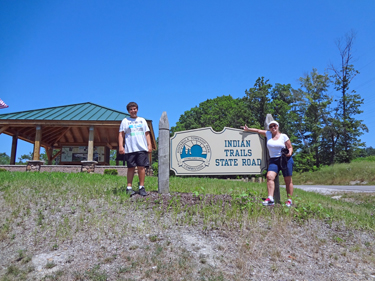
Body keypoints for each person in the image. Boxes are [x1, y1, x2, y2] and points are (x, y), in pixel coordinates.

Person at [241, 121, 294, 207]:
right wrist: (248, 129)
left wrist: (289, 153)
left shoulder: (283, 136)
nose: (273, 127)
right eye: (271, 126)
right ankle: (270, 199)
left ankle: (289, 200)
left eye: (275, 125)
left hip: (285, 159)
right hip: (273, 160)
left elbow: (290, 147)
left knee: (288, 180)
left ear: (278, 126)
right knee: (269, 176)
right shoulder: (268, 134)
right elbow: (258, 131)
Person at [119, 102, 152, 196]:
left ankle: (141, 187)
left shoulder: (142, 120)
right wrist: (121, 146)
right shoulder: (125, 121)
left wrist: (149, 145)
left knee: (141, 167)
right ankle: (129, 187)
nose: (133, 111)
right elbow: (121, 134)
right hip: (130, 148)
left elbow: (147, 133)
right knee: (131, 168)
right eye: (131, 109)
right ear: (128, 111)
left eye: (135, 109)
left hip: (141, 147)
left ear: (137, 109)